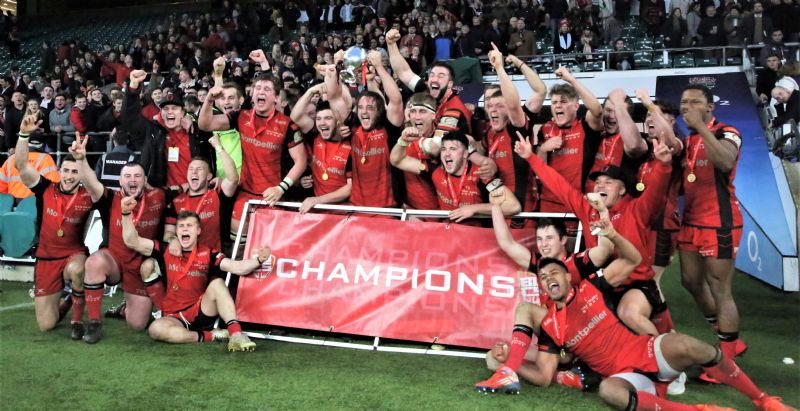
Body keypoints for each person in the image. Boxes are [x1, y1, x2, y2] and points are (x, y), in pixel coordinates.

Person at [476, 221, 796, 411]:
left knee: (690, 345)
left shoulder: (591, 287)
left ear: (567, 275)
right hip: (624, 376)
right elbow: (545, 376)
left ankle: (763, 399)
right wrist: (509, 363)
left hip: (645, 352)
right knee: (609, 391)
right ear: (542, 287)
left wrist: (613, 234)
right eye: (543, 278)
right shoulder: (549, 325)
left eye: (554, 273)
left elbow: (633, 259)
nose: (549, 279)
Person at [517, 129, 674, 337]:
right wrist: (531, 157)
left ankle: (663, 359)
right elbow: (559, 185)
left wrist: (663, 165)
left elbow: (656, 191)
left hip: (636, 283)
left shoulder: (637, 209)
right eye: (598, 182)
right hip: (605, 283)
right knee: (580, 311)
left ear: (622, 190)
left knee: (628, 313)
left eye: (608, 182)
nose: (600, 185)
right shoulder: (588, 209)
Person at [121, 202, 268, 351]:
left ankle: (236, 334)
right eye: (181, 226)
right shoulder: (166, 249)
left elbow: (236, 267)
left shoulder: (208, 253)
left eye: (189, 225)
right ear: (176, 231)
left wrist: (259, 260)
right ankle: (210, 336)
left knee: (217, 284)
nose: (185, 228)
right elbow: (132, 241)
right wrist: (126, 214)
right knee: (155, 329)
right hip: (174, 315)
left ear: (198, 230)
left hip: (201, 310)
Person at [69, 136, 172, 344]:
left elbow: (182, 195)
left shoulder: (159, 197)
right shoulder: (109, 198)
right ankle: (95, 322)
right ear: (119, 180)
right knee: (94, 262)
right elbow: (90, 181)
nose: (132, 180)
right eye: (127, 176)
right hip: (114, 260)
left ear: (145, 180)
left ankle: (126, 307)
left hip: (140, 264)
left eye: (137, 176)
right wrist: (81, 159)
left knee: (137, 325)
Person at [198, 50, 307, 237]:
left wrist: (281, 187)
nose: (261, 92)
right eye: (257, 89)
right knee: (239, 246)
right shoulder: (240, 117)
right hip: (245, 194)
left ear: (276, 98)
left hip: (274, 196)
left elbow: (301, 161)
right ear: (252, 94)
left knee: (270, 249)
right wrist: (209, 100)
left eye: (266, 89)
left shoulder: (288, 124)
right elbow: (205, 124)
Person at [677, 85, 747, 371]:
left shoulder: (727, 131)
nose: (687, 107)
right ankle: (728, 337)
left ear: (709, 108)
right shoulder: (688, 139)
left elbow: (725, 161)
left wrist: (702, 128)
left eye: (695, 102)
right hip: (691, 222)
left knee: (721, 289)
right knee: (690, 281)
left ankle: (727, 364)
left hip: (719, 223)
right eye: (684, 102)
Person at [14, 116, 97, 339]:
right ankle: (71, 298)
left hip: (73, 255)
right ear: (59, 171)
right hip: (46, 258)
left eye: (75, 172)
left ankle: (78, 320)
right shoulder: (44, 189)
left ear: (80, 174)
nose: (70, 177)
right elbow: (21, 165)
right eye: (66, 171)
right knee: (46, 325)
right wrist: (23, 134)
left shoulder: (88, 196)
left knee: (77, 270)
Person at [390, 131, 521, 224]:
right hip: (447, 235)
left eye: (452, 149)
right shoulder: (435, 170)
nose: (446, 154)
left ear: (465, 154)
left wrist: (474, 209)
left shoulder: (481, 174)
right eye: (443, 149)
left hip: (476, 239)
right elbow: (397, 160)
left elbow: (513, 207)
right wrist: (403, 141)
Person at [535, 66, 603, 235]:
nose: (558, 106)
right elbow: (539, 171)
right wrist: (543, 149)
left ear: (575, 106)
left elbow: (596, 109)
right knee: (548, 249)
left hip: (577, 201)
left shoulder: (585, 127)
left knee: (574, 249)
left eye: (564, 102)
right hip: (549, 202)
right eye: (554, 102)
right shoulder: (545, 129)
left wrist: (571, 80)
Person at [124, 70, 210, 191]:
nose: (169, 111)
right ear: (161, 113)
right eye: (165, 108)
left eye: (174, 108)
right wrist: (133, 88)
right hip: (162, 195)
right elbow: (130, 119)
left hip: (193, 195)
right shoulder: (153, 131)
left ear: (183, 113)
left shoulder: (196, 132)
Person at [291, 82, 353, 214]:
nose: (322, 123)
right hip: (317, 212)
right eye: (318, 119)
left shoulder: (351, 144)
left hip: (342, 214)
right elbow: (295, 116)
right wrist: (312, 91)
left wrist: (317, 200)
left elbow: (349, 188)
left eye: (328, 118)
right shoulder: (315, 135)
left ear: (338, 121)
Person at [586, 88, 647, 193]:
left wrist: (619, 104)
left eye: (618, 112)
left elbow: (634, 145)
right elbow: (592, 113)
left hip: (618, 205)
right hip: (588, 201)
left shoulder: (637, 139)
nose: (612, 116)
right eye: (608, 110)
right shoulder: (593, 136)